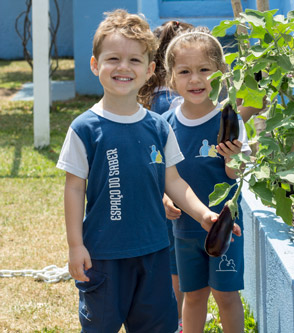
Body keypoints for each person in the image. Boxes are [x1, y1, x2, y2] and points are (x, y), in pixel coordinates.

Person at [56, 10, 239, 332]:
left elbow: (174, 181)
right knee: (101, 325)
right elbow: (74, 188)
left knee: (157, 325)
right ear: (95, 65)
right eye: (113, 58)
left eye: (134, 60)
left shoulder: (158, 126)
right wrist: (75, 245)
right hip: (103, 254)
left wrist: (202, 215)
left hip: (155, 251)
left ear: (150, 70)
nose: (123, 67)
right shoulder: (84, 128)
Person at [161, 27, 252, 333]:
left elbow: (236, 177)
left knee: (226, 296)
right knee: (193, 295)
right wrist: (163, 197)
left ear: (220, 73)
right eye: (185, 71)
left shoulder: (230, 120)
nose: (195, 79)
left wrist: (232, 158)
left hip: (225, 226)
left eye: (204, 70)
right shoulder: (164, 125)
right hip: (184, 228)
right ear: (171, 77)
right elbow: (159, 175)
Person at [138, 19, 194, 331]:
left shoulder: (154, 95)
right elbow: (153, 152)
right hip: (174, 194)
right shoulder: (167, 102)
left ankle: (181, 316)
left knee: (176, 261)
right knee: (176, 264)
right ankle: (177, 320)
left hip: (174, 192)